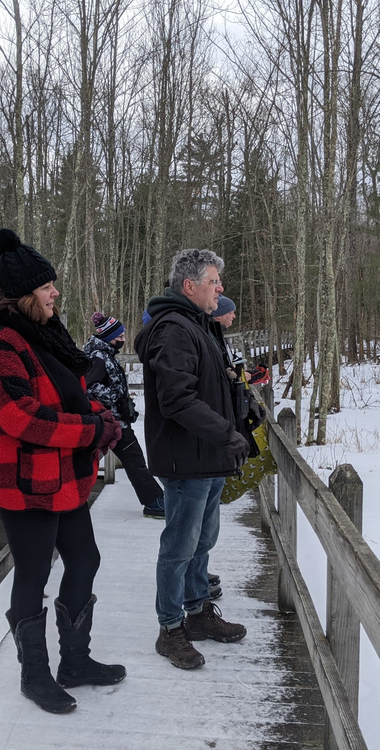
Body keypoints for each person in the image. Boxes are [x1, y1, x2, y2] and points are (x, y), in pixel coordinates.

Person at [0, 228, 126, 714]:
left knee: (85, 560)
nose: (55, 292)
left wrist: (98, 413)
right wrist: (91, 429)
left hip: (65, 476)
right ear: (23, 296)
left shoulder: (44, 333)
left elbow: (69, 387)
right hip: (24, 482)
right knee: (33, 574)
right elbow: (19, 417)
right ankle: (34, 675)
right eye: (46, 287)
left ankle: (74, 662)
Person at [134, 248, 249, 670]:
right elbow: (177, 399)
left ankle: (198, 612)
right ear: (190, 285)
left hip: (209, 457)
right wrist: (224, 433)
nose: (220, 289)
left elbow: (212, 387)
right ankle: (170, 627)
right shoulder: (175, 329)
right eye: (214, 282)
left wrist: (240, 414)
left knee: (203, 541)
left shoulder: (201, 325)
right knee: (179, 547)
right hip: (186, 459)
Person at [84, 312, 166, 519]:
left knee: (133, 460)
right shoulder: (98, 358)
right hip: (109, 421)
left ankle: (155, 500)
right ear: (107, 336)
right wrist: (116, 397)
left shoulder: (105, 354)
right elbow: (89, 388)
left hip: (116, 419)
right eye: (119, 336)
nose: (122, 340)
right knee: (134, 460)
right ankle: (154, 502)